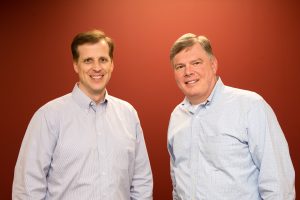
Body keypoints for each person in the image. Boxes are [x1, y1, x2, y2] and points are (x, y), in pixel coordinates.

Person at [12, 29, 153, 200]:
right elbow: (28, 187)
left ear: (112, 64)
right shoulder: (48, 117)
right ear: (75, 65)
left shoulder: (128, 114)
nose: (96, 67)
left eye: (103, 60)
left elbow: (141, 181)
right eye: (88, 60)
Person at [167, 33, 295, 199]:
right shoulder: (177, 116)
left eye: (196, 63)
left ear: (213, 65)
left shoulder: (250, 106)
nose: (188, 72)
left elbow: (278, 182)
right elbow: (178, 183)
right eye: (180, 67)